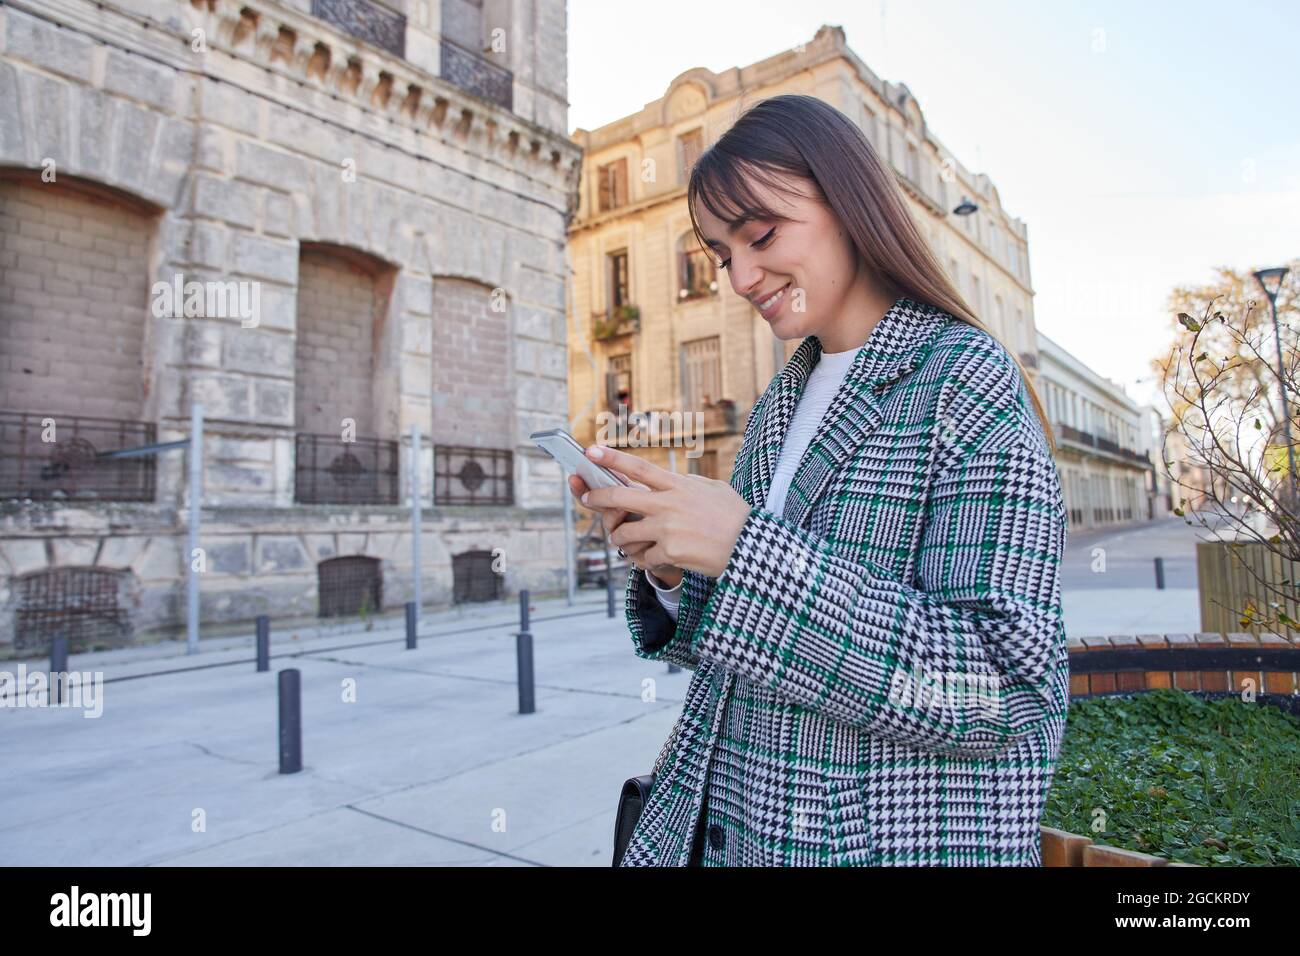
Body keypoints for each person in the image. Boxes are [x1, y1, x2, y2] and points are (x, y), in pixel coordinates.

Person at [569, 94, 1069, 866]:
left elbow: (1001, 695)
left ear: (848, 200)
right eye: (720, 254)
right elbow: (753, 646)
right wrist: (673, 568)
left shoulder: (962, 378)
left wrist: (743, 551)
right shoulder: (780, 403)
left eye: (761, 235)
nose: (740, 276)